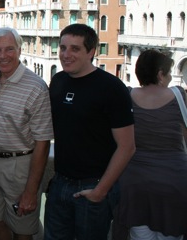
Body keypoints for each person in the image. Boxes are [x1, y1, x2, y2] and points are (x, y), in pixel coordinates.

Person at [44, 23, 136, 240]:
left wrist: (100, 191)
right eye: (63, 48)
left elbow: (127, 147)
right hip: (59, 184)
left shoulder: (112, 88)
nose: (66, 55)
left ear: (91, 52)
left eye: (75, 49)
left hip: (94, 187)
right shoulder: (57, 81)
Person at [0, 27, 53, 240]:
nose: (3, 56)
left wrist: (31, 191)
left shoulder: (36, 87)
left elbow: (43, 142)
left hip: (21, 167)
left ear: (20, 50)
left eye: (9, 49)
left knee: (23, 230)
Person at [116, 49, 187, 239]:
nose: (172, 78)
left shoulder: (127, 95)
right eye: (169, 73)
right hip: (174, 183)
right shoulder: (178, 95)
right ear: (160, 74)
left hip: (135, 184)